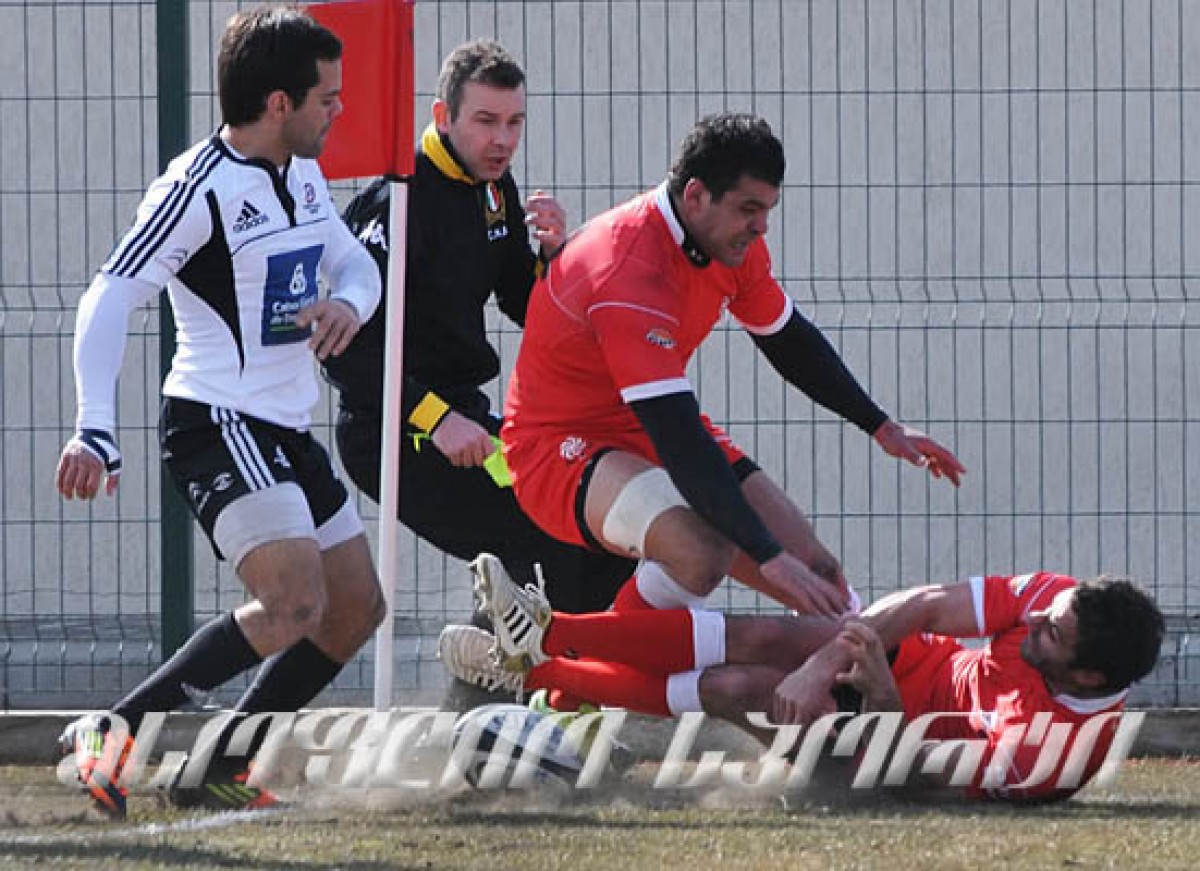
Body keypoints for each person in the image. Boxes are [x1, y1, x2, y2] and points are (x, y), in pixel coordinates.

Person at [54, 5, 384, 817]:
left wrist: (348, 303)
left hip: (284, 426)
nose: (338, 110)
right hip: (216, 421)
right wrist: (94, 424)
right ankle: (112, 729)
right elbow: (109, 294)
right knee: (293, 602)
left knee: (355, 607)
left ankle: (215, 767)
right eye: (327, 98)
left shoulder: (302, 175)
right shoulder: (196, 187)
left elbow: (356, 265)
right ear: (278, 103)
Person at [498, 111, 966, 638]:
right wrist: (767, 556)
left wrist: (880, 425)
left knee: (820, 580)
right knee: (702, 553)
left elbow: (786, 339)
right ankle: (575, 664)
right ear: (696, 196)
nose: (761, 227)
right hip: (556, 446)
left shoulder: (729, 241)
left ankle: (847, 683)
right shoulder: (627, 269)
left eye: (767, 210)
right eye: (749, 209)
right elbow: (678, 436)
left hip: (644, 427)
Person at [322, 41, 635, 646]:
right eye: (486, 121)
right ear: (444, 117)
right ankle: (509, 687)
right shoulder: (400, 201)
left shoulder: (494, 189)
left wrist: (555, 257)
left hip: (467, 418)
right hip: (393, 430)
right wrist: (436, 418)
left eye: (514, 122)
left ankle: (508, 678)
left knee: (592, 530)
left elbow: (523, 301)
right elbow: (345, 352)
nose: (502, 140)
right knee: (546, 541)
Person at [443, 554, 1164, 802]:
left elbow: (916, 781)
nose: (1032, 619)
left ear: (1088, 674)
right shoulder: (1060, 599)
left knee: (735, 685)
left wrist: (880, 696)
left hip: (885, 756)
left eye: (1050, 633)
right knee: (774, 636)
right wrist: (825, 663)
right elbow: (924, 604)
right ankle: (548, 635)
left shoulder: (1052, 753)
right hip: (919, 669)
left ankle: (541, 667)